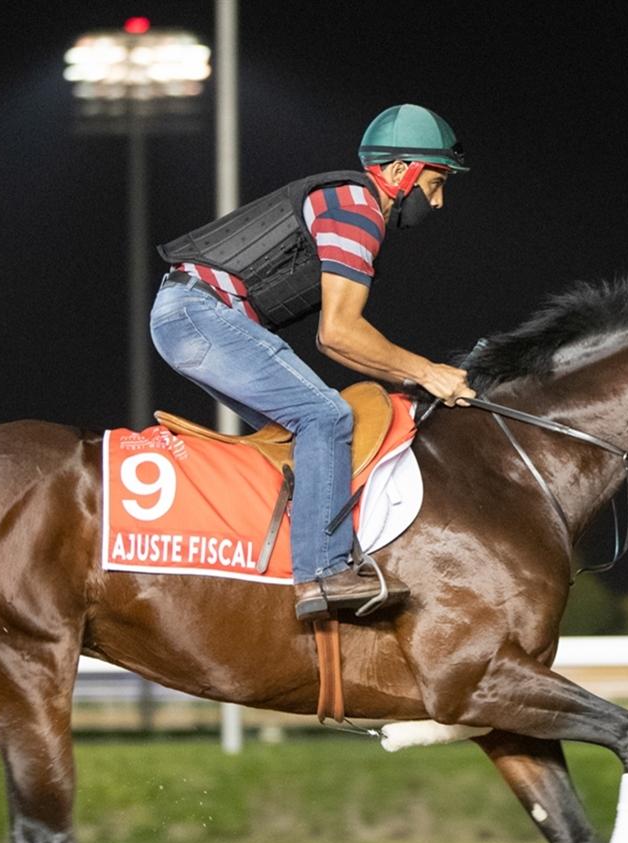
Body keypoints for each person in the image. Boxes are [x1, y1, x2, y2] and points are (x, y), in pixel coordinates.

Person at [149, 103, 477, 622]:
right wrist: (427, 371)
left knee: (305, 437)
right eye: (436, 183)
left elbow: (335, 341)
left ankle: (272, 563)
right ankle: (322, 572)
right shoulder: (357, 207)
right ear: (400, 172)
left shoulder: (353, 207)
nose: (439, 202)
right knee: (326, 416)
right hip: (199, 314)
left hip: (193, 314)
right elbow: (339, 333)